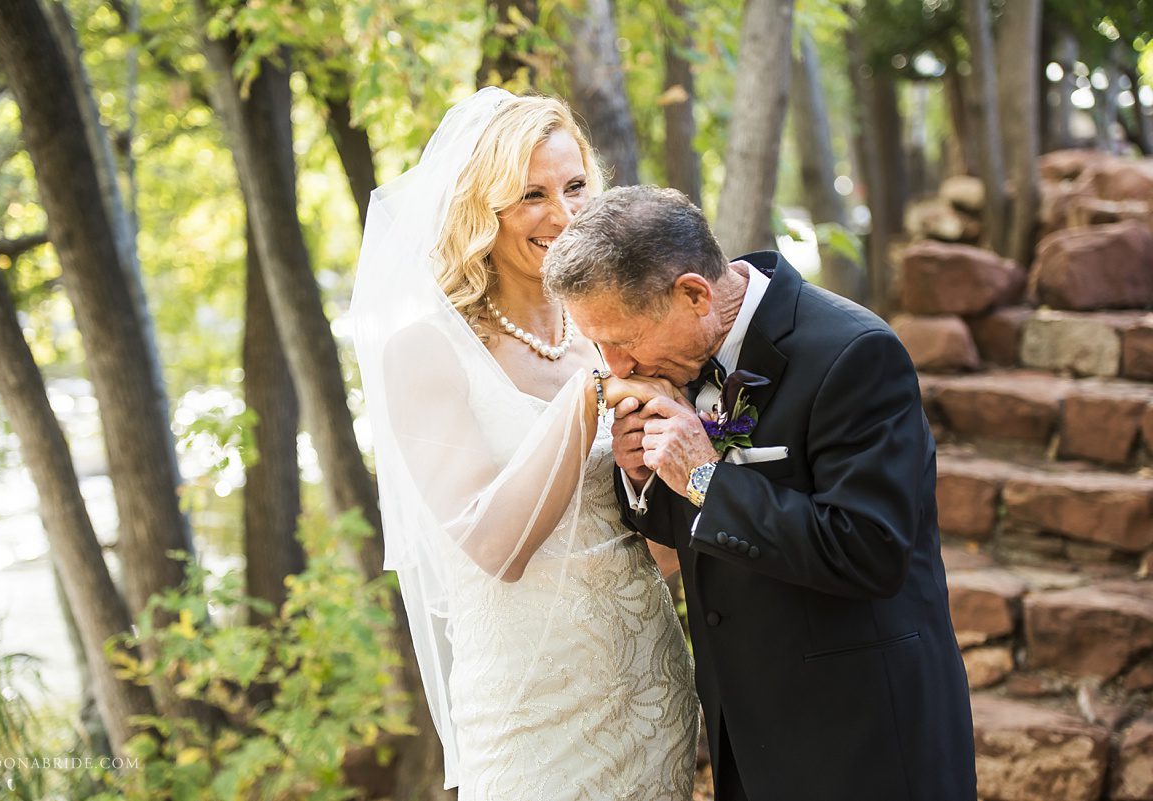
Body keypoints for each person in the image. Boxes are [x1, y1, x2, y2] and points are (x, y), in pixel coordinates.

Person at [543, 185, 976, 801]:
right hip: (747, 738)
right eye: (598, 346)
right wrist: (645, 475)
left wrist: (704, 475)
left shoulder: (854, 354)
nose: (616, 365)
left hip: (864, 738)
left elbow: (870, 549)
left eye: (623, 339)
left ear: (693, 294)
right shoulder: (679, 361)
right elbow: (703, 531)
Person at [350, 90, 698, 800]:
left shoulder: (618, 330)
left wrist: (650, 471)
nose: (564, 215)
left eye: (575, 186)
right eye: (530, 195)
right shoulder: (427, 353)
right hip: (528, 713)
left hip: (647, 687)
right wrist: (587, 395)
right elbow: (493, 546)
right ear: (482, 209)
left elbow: (662, 552)